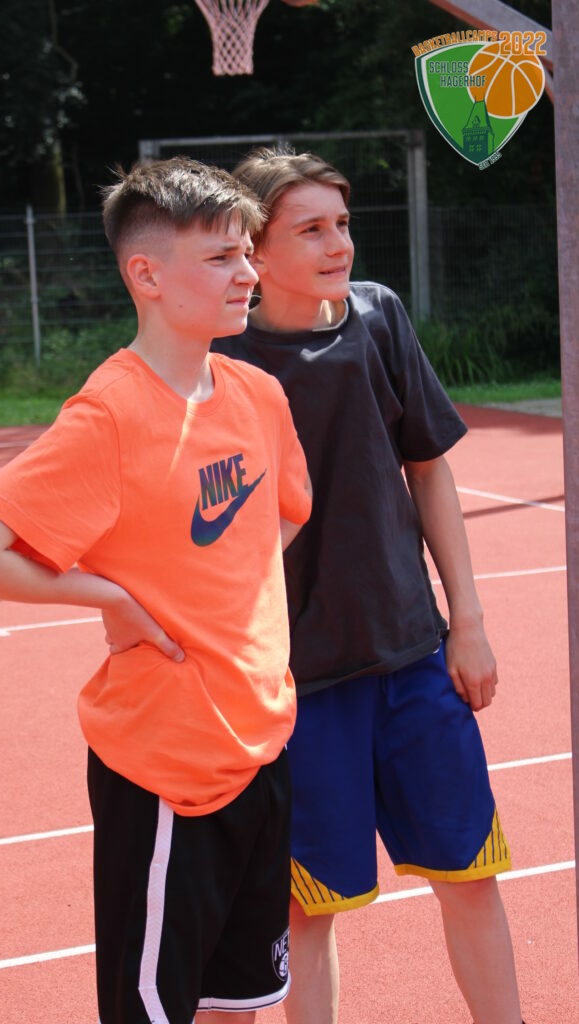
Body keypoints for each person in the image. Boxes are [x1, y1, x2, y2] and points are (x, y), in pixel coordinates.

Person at [0, 156, 312, 1024]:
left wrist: (216, 597)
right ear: (147, 273)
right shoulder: (110, 415)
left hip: (261, 746)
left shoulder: (258, 394)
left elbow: (286, 514)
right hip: (164, 766)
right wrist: (110, 597)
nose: (248, 273)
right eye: (220, 257)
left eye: (246, 253)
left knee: (238, 1002)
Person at [212, 147, 524, 1024]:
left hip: (412, 655)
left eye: (342, 224)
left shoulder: (378, 316)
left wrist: (467, 622)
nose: (338, 243)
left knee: (470, 876)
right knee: (306, 910)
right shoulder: (223, 358)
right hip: (298, 682)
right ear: (253, 250)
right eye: (310, 229)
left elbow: (427, 470)